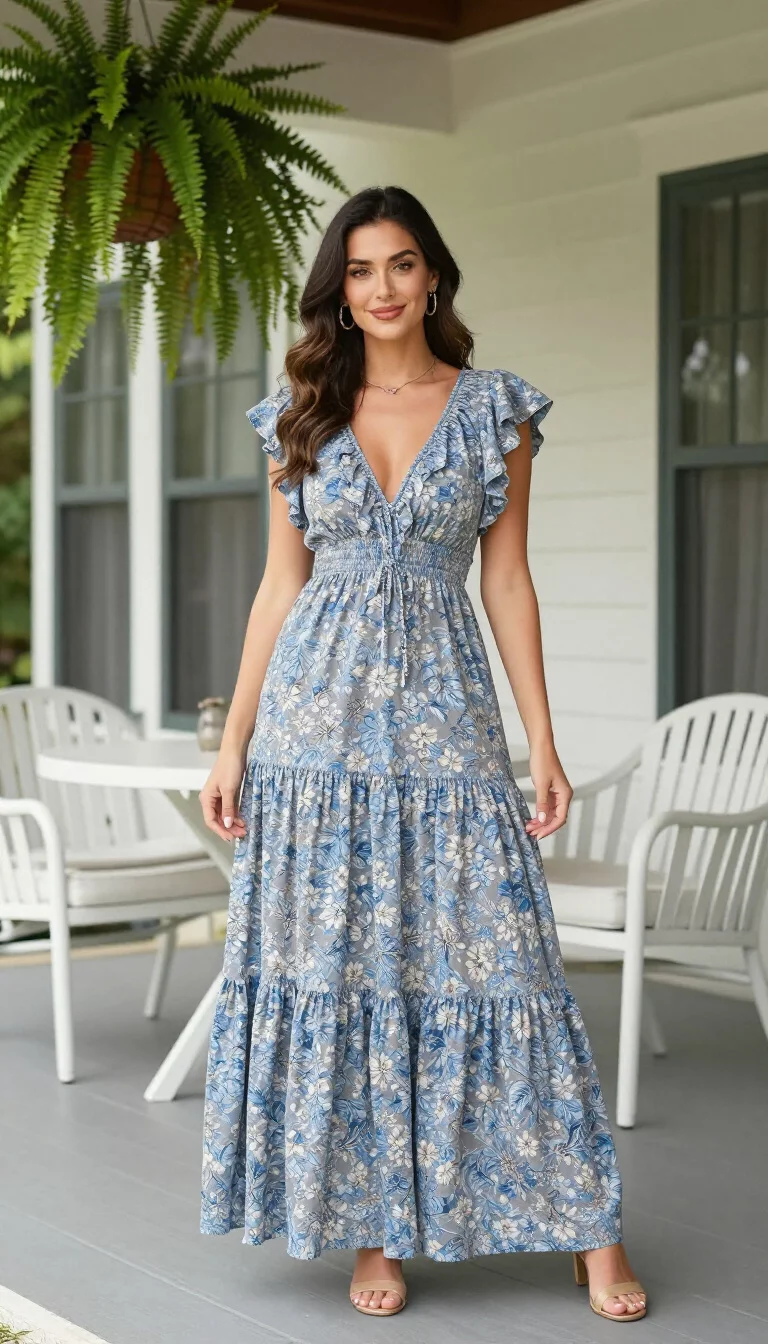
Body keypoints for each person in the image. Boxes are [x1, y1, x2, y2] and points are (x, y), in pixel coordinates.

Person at [198, 185, 647, 1324]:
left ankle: (592, 1231)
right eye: (359, 270)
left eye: (402, 265)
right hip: (314, 736)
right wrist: (235, 741)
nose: (383, 288)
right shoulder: (299, 412)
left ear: (433, 275)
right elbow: (278, 585)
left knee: (508, 970)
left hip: (449, 727)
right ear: (336, 289)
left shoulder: (495, 410)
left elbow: (506, 579)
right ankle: (374, 1227)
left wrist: (542, 740)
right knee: (345, 973)